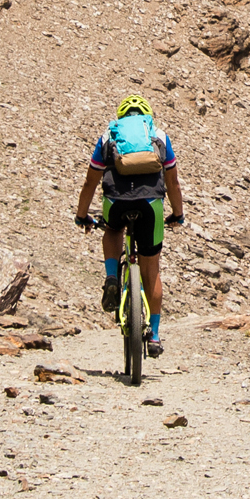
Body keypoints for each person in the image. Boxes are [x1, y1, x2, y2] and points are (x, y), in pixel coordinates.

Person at [74, 94, 184, 358]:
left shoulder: (108, 135)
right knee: (152, 270)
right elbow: (173, 183)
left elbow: (90, 182)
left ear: (122, 117)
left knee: (112, 229)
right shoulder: (159, 135)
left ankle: (112, 275)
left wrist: (82, 215)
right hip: (151, 205)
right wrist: (177, 214)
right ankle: (155, 334)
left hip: (117, 202)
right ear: (147, 115)